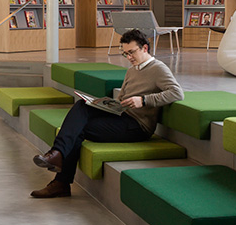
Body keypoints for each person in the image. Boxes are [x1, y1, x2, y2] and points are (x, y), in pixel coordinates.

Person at [31, 28, 183, 199]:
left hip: (138, 126)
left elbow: (177, 93)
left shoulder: (158, 69)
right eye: (125, 53)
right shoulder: (133, 70)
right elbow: (122, 98)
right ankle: (57, 158)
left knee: (78, 129)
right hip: (122, 116)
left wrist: (143, 100)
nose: (129, 57)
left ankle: (60, 176)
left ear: (145, 48)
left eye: (132, 52)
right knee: (81, 106)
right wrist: (107, 105)